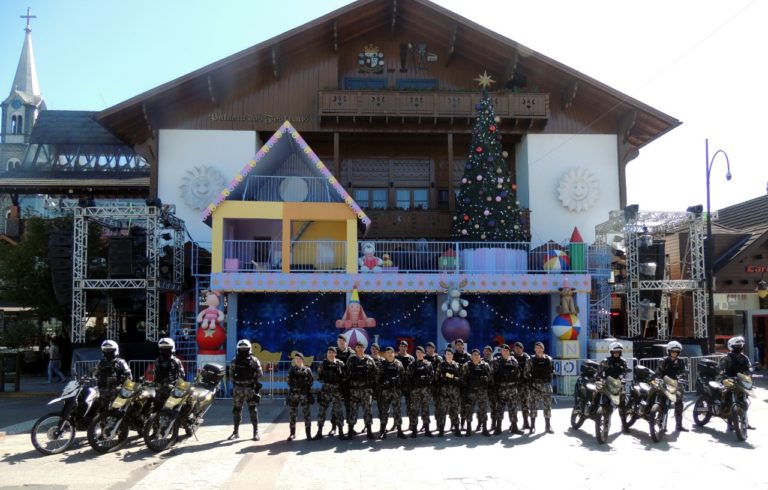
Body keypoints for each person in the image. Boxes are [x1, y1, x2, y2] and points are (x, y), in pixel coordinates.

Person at [229, 339, 263, 441]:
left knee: (251, 409)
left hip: (247, 388)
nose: (243, 350)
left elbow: (231, 376)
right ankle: (237, 432)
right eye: (242, 349)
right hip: (242, 388)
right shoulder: (236, 361)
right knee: (238, 410)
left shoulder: (252, 360)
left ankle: (254, 432)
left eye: (245, 349)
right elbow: (260, 374)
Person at [345, 342, 378, 439]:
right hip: (354, 390)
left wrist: (373, 388)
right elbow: (346, 373)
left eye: (361, 347)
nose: (359, 349)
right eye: (358, 347)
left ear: (364, 349)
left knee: (367, 411)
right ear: (355, 348)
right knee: (353, 411)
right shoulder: (351, 359)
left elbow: (375, 373)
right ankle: (350, 432)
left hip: (366, 390)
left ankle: (369, 432)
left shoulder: (369, 360)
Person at [315, 346, 346, 439]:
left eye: (333, 353)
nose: (331, 354)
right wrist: (327, 381)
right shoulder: (322, 364)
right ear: (327, 354)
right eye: (329, 352)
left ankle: (341, 432)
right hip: (326, 390)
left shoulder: (340, 364)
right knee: (322, 411)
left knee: (338, 411)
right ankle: (319, 432)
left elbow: (344, 377)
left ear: (335, 354)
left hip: (337, 391)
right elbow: (319, 377)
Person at [656, 340, 688, 432]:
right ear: (669, 351)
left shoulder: (680, 361)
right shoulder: (663, 361)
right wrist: (658, 378)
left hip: (675, 384)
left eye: (676, 352)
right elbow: (658, 372)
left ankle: (679, 425)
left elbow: (684, 371)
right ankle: (661, 424)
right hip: (664, 383)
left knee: (679, 404)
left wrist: (683, 375)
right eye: (673, 351)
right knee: (662, 403)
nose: (674, 353)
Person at [598, 341, 630, 434]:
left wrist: (624, 379)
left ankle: (624, 425)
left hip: (619, 385)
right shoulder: (606, 361)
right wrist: (599, 379)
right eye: (615, 352)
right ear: (611, 352)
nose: (617, 353)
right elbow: (599, 372)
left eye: (618, 352)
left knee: (622, 406)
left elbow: (625, 373)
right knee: (604, 402)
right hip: (607, 385)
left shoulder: (623, 362)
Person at [492, 344, 523, 435]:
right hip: (501, 388)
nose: (505, 352)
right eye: (503, 350)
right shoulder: (496, 361)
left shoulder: (514, 361)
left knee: (513, 408)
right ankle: (498, 428)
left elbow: (518, 373)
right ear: (501, 351)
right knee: (500, 409)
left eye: (506, 350)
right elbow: (492, 374)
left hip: (512, 388)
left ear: (509, 351)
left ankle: (514, 427)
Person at [524, 341, 554, 434]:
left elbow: (552, 372)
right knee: (533, 407)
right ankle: (532, 426)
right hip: (535, 387)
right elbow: (525, 373)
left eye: (540, 347)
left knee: (547, 406)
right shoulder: (530, 360)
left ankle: (548, 426)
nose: (539, 349)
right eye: (537, 348)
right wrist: (531, 379)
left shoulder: (549, 359)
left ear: (543, 349)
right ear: (534, 349)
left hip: (546, 386)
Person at [377, 346, 407, 439]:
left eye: (391, 352)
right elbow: (377, 378)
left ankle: (399, 431)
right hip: (385, 391)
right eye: (388, 353)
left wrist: (400, 388)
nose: (390, 354)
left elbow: (403, 377)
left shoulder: (398, 364)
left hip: (396, 391)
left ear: (394, 354)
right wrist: (383, 385)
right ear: (385, 354)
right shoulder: (382, 364)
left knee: (397, 411)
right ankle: (382, 431)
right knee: (384, 411)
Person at [461, 348, 492, 436]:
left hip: (482, 392)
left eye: (477, 355)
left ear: (480, 356)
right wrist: (465, 392)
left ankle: (484, 429)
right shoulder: (466, 366)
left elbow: (490, 378)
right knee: (469, 410)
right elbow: (463, 379)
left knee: (483, 410)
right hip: (471, 392)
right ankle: (468, 429)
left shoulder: (485, 365)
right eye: (474, 355)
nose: (476, 356)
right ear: (471, 356)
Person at [96, 340, 132, 411]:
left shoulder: (120, 362)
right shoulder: (101, 362)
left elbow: (129, 375)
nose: (108, 352)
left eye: (110, 350)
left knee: (117, 409)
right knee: (101, 408)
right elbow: (96, 374)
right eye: (106, 350)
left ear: (115, 350)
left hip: (116, 388)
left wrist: (123, 385)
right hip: (103, 389)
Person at [406, 346, 434, 437]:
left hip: (425, 390)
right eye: (417, 352)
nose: (419, 354)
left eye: (420, 352)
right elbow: (408, 377)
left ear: (423, 354)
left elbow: (432, 376)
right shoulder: (412, 364)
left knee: (425, 410)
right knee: (415, 410)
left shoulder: (428, 364)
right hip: (415, 390)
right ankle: (414, 430)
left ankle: (427, 430)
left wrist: (426, 380)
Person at [287, 352, 314, 441]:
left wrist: (304, 386)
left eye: (299, 359)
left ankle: (308, 434)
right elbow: (289, 382)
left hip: (304, 395)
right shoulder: (291, 370)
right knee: (293, 414)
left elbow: (311, 381)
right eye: (296, 359)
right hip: (294, 394)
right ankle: (292, 433)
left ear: (302, 360)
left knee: (307, 414)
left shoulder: (307, 370)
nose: (297, 360)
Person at [435, 347, 462, 437]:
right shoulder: (441, 365)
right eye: (447, 354)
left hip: (454, 393)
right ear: (445, 355)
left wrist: (451, 377)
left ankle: (457, 429)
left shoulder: (457, 365)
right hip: (443, 393)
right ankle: (441, 430)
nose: (449, 356)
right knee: (442, 411)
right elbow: (436, 378)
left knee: (454, 411)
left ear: (453, 355)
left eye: (450, 354)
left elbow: (461, 378)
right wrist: (442, 380)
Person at [153, 337, 185, 411]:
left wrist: (178, 385)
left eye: (167, 348)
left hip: (173, 388)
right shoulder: (157, 361)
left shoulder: (176, 361)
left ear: (171, 348)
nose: (165, 350)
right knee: (155, 404)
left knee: (177, 405)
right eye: (163, 348)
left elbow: (182, 374)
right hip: (160, 388)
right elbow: (156, 373)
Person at [512, 341, 532, 430]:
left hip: (524, 384)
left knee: (525, 404)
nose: (518, 350)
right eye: (516, 348)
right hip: (514, 385)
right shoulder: (511, 358)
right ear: (514, 349)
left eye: (520, 348)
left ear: (522, 349)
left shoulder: (527, 358)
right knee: (514, 405)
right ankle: (513, 424)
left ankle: (526, 422)